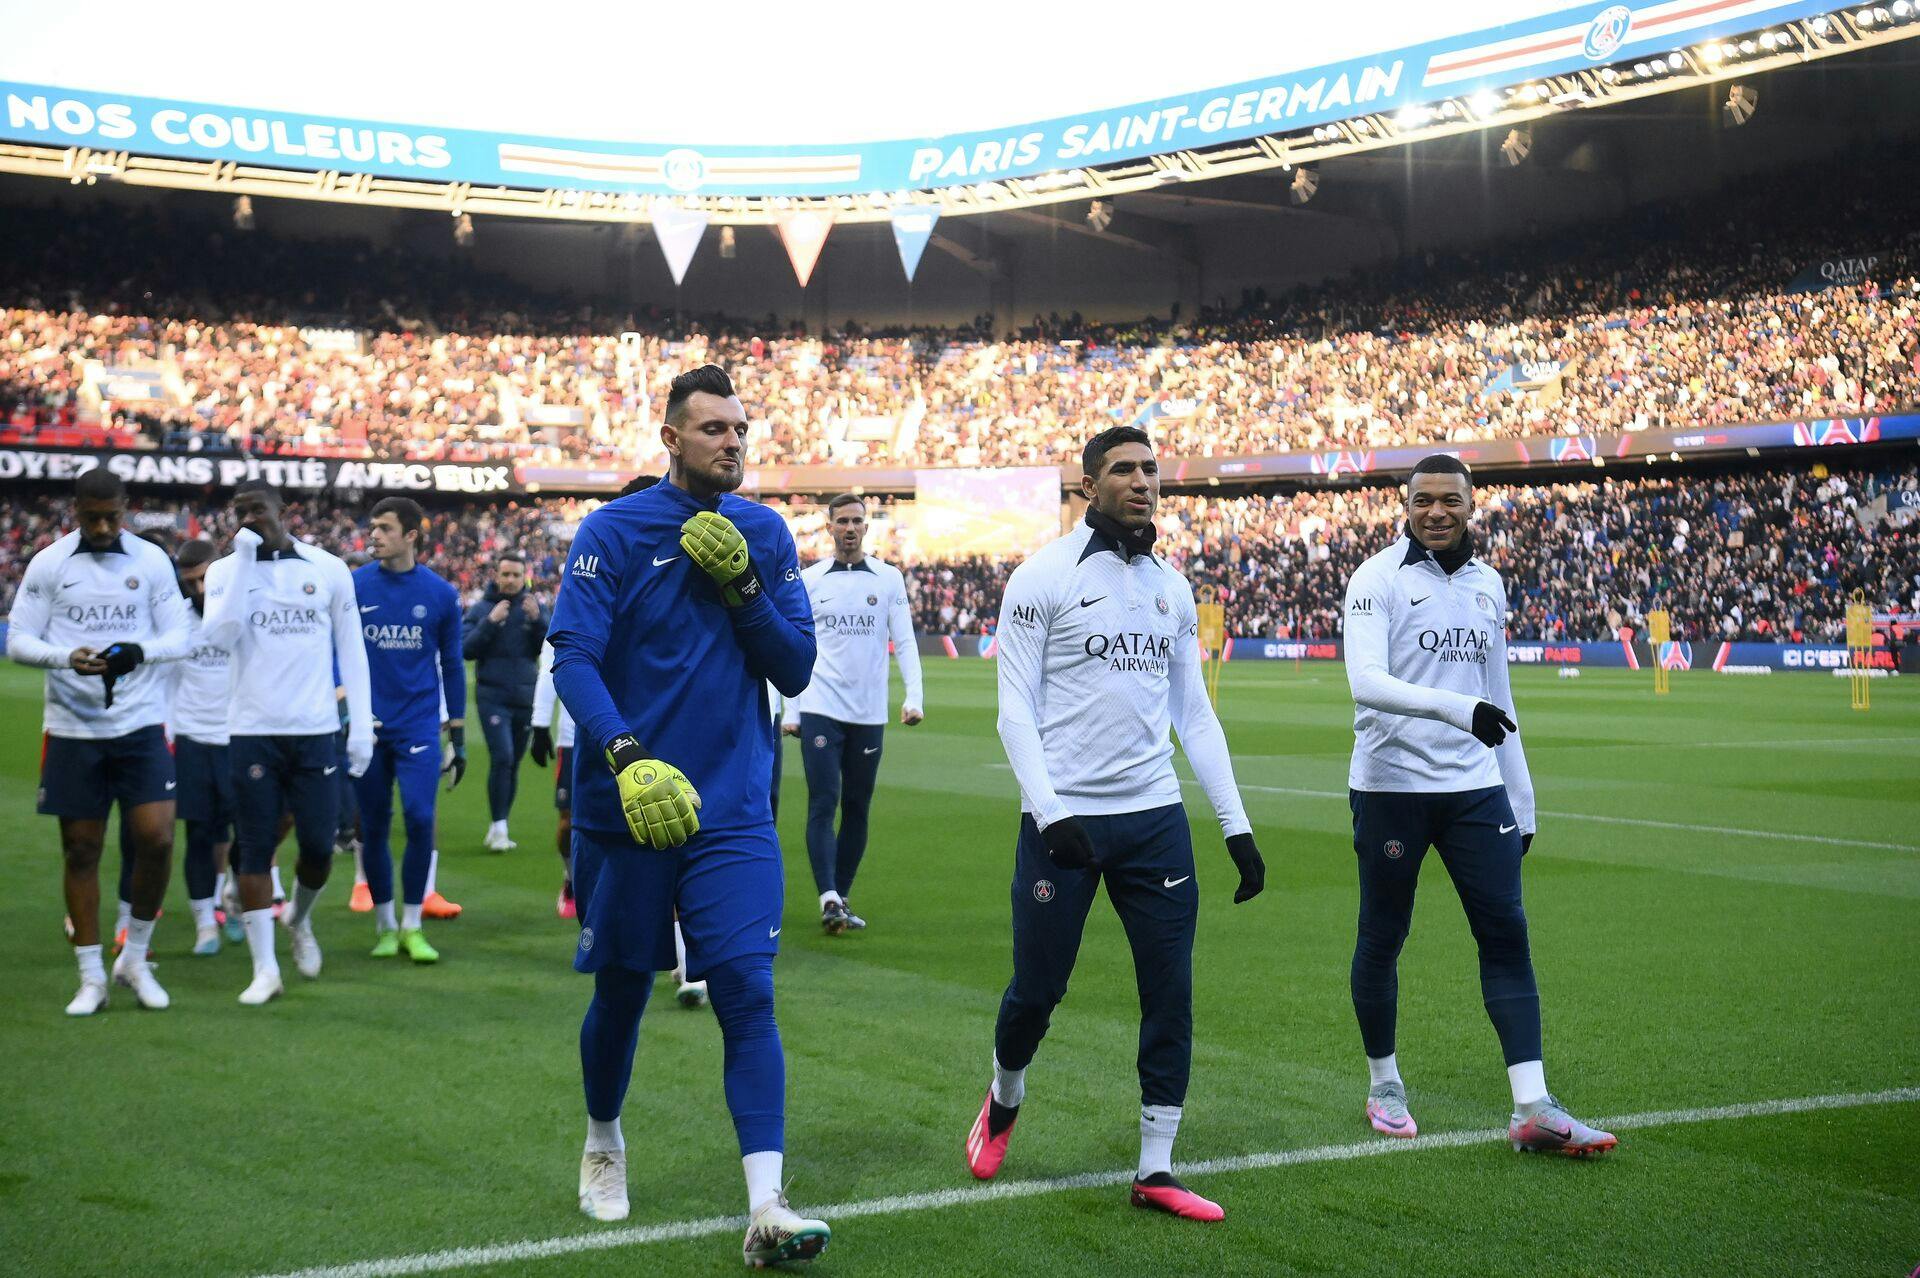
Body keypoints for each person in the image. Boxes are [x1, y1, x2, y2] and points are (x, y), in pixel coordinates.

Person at [548, 364, 829, 1266]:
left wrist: (746, 587)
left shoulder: (765, 532)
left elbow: (793, 669)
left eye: (740, 429)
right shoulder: (612, 531)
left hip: (735, 809)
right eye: (713, 429)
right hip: (625, 808)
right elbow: (576, 660)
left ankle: (767, 1205)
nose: (732, 443)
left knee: (747, 991)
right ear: (671, 439)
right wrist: (625, 757)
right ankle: (603, 1139)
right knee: (623, 992)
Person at [966, 425, 1267, 1222]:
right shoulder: (1042, 577)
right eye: (1123, 470)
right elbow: (1013, 715)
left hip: (1155, 822)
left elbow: (1193, 716)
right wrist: (1052, 810)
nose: (1142, 482)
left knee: (1170, 992)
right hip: (1062, 824)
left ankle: (1157, 1168)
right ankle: (1003, 1098)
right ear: (1088, 484)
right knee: (1037, 991)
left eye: (1150, 470)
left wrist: (1235, 827)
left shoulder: (1171, 588)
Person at [1340, 453, 1615, 1156]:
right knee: (1383, 934)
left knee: (1506, 934)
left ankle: (1531, 1106)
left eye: (1450, 500)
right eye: (1423, 500)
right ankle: (1384, 1082)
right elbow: (1366, 682)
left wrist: (1521, 798)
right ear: (1405, 506)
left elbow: (1501, 698)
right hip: (1392, 786)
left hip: (1474, 790)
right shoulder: (1376, 578)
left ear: (1471, 505)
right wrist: (1458, 709)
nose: (1436, 512)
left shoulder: (1488, 583)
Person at [7, 468, 193, 1014]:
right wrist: (66, 656)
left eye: (113, 515)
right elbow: (18, 639)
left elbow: (178, 636)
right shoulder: (50, 563)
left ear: (125, 507)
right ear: (76, 511)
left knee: (156, 839)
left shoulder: (152, 560)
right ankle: (91, 976)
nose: (105, 526)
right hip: (73, 729)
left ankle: (133, 958)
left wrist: (140, 652)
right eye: (93, 518)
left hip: (139, 723)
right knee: (82, 848)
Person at [201, 481, 373, 1006]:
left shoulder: (327, 569)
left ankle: (298, 919)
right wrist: (245, 564)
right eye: (241, 512)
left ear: (283, 510)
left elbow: (352, 649)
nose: (251, 518)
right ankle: (264, 968)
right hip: (252, 729)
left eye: (259, 509)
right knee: (253, 848)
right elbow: (218, 638)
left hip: (316, 729)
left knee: (320, 847)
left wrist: (360, 725)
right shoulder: (225, 571)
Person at [780, 493, 924, 935]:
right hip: (820, 706)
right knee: (824, 800)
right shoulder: (810, 580)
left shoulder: (887, 579)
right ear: (828, 528)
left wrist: (914, 696)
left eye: (856, 521)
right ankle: (827, 895)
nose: (849, 528)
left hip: (868, 712)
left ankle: (840, 898)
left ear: (867, 527)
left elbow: (905, 639)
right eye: (841, 521)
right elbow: (791, 645)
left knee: (858, 806)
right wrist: (792, 708)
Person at [352, 497, 467, 963]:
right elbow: (335, 652)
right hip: (368, 727)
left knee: (420, 819)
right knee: (374, 826)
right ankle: (384, 925)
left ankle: (413, 924)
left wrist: (457, 735)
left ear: (412, 535)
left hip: (419, 724)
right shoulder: (354, 586)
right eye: (372, 527)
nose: (373, 535)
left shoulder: (440, 594)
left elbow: (453, 665)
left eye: (383, 528)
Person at [170, 538, 238, 957]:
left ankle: (232, 899)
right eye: (189, 583)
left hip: (239, 738)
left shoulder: (243, 615)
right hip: (193, 738)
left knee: (245, 835)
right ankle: (204, 924)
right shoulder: (176, 620)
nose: (197, 591)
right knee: (199, 834)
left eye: (204, 580)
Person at [463, 550, 548, 851]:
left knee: (512, 764)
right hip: (492, 696)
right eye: (505, 574)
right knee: (502, 757)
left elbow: (549, 647)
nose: (510, 580)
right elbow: (466, 650)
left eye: (516, 575)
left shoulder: (532, 608)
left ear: (524, 576)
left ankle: (501, 824)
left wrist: (538, 621)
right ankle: (498, 827)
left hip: (525, 697)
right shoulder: (482, 608)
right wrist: (489, 622)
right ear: (496, 576)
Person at [531, 637, 578, 921]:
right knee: (568, 822)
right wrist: (539, 724)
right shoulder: (573, 604)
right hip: (573, 738)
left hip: (628, 733)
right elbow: (549, 668)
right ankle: (571, 878)